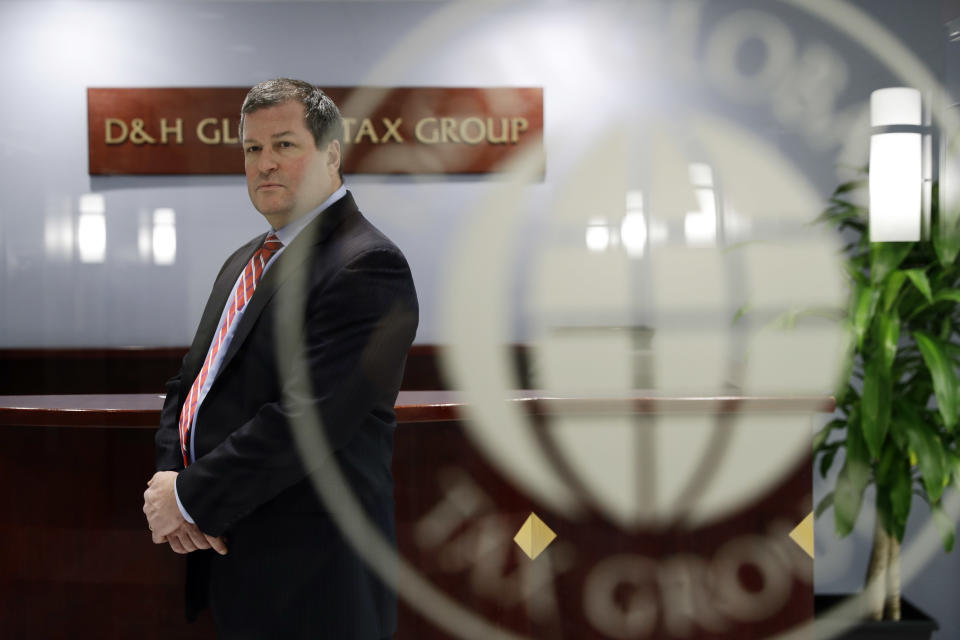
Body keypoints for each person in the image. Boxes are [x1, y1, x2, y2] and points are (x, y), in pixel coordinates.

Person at [143, 78, 418, 639]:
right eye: (252, 149)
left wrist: (191, 499)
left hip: (318, 582)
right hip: (235, 558)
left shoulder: (368, 265)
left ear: (331, 153)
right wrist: (171, 475)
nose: (265, 163)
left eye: (285, 145)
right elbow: (189, 384)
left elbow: (307, 420)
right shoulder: (247, 259)